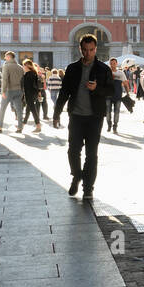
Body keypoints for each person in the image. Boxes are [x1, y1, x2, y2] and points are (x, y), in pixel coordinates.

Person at [52, 33, 117, 198]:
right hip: (76, 115)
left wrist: (97, 89)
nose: (88, 53)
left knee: (91, 153)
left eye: (91, 50)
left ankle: (88, 187)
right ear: (80, 49)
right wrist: (57, 113)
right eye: (85, 50)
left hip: (95, 117)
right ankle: (76, 176)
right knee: (73, 150)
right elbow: (64, 92)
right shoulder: (72, 68)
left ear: (96, 49)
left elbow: (111, 91)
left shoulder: (103, 69)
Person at [0, 51, 25, 133]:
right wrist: (23, 91)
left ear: (9, 57)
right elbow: (23, 80)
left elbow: (5, 79)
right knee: (19, 110)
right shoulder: (20, 67)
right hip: (19, 90)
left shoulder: (6, 66)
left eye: (5, 57)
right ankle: (19, 128)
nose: (4, 58)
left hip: (9, 90)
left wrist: (3, 91)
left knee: (2, 109)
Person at [20, 58, 43, 134]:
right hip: (33, 94)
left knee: (33, 110)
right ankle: (22, 125)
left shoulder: (28, 74)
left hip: (29, 94)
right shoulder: (34, 73)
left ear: (27, 66)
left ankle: (38, 126)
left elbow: (25, 87)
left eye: (24, 65)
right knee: (28, 110)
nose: (23, 67)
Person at [105, 57, 127, 134]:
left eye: (114, 63)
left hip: (117, 95)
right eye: (111, 63)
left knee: (117, 112)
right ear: (109, 64)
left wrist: (127, 93)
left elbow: (125, 83)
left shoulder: (121, 73)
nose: (112, 65)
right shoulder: (106, 72)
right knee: (107, 112)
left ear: (116, 64)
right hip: (108, 95)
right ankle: (109, 124)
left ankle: (115, 126)